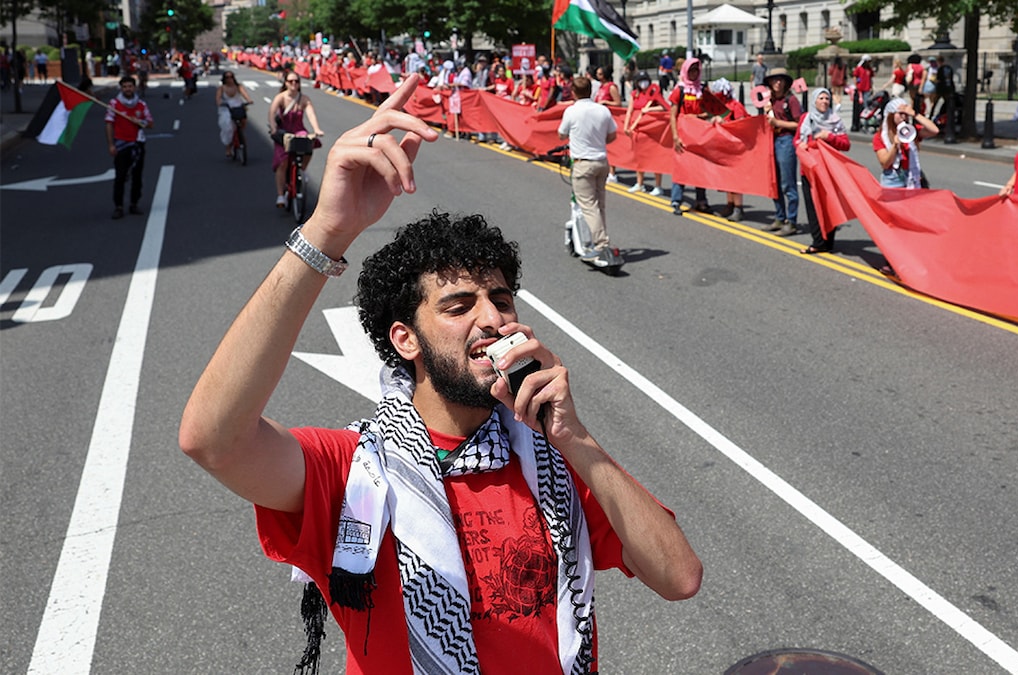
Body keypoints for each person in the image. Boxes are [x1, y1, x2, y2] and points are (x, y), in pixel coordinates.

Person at [178, 74, 701, 674]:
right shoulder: (356, 471)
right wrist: (328, 231)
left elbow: (679, 577)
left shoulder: (553, 459)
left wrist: (574, 438)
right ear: (406, 339)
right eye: (458, 307)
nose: (492, 319)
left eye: (500, 300)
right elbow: (213, 440)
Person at [559, 75, 620, 265]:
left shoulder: (571, 111)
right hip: (601, 161)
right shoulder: (602, 110)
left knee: (588, 206)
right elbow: (612, 135)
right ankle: (601, 241)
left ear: (574, 92)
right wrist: (599, 140)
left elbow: (561, 134)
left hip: (582, 163)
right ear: (590, 91)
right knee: (599, 205)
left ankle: (601, 245)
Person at [797, 88, 851, 255]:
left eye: (827, 99)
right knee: (813, 206)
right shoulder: (806, 118)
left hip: (829, 170)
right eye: (821, 98)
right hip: (809, 170)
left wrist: (830, 137)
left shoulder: (835, 120)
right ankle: (818, 241)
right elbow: (797, 140)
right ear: (814, 101)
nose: (824, 102)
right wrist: (801, 145)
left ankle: (829, 241)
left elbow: (845, 145)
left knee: (829, 205)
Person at [667, 57, 720, 215]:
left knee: (700, 168)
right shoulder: (680, 90)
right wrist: (675, 136)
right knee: (682, 167)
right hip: (683, 135)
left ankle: (701, 201)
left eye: (696, 70)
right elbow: (672, 115)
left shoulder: (703, 89)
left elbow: (711, 110)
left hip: (700, 135)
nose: (693, 73)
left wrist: (698, 117)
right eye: (691, 70)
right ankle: (676, 200)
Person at [268, 71, 325, 208]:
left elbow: (311, 114)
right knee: (283, 162)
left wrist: (316, 129)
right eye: (291, 81)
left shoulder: (304, 99)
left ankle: (302, 170)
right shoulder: (280, 97)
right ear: (286, 83)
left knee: (309, 146)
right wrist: (274, 127)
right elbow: (271, 113)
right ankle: (280, 195)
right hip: (283, 132)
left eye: (296, 81)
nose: (294, 84)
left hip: (299, 130)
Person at [105, 75, 154, 219]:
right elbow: (109, 124)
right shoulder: (114, 104)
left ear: (135, 87)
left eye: (130, 86)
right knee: (120, 176)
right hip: (121, 144)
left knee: (137, 176)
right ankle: (118, 206)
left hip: (137, 144)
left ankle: (134, 203)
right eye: (125, 87)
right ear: (121, 88)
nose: (127, 89)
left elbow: (150, 123)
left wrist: (139, 122)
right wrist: (111, 145)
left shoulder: (141, 105)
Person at [763, 67, 800, 235]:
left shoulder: (791, 100)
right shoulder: (770, 100)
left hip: (786, 141)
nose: (777, 82)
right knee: (775, 182)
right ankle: (779, 216)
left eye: (781, 80)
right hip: (773, 140)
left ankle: (791, 221)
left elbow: (799, 124)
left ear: (785, 83)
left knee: (787, 183)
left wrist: (779, 123)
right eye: (774, 80)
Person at [872, 98, 938, 189]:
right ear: (891, 115)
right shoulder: (880, 137)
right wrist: (895, 146)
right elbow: (885, 163)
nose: (904, 117)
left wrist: (914, 114)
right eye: (900, 114)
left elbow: (934, 130)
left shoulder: (911, 131)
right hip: (892, 179)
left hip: (912, 174)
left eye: (906, 114)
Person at [707, 78, 749, 222]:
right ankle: (729, 204)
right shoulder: (720, 107)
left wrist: (724, 122)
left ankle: (738, 207)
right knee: (726, 178)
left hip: (736, 148)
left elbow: (742, 125)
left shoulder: (736, 106)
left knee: (735, 179)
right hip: (724, 147)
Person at [623, 71, 668, 197]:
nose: (643, 83)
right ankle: (640, 183)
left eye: (645, 80)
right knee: (639, 157)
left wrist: (649, 109)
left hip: (651, 130)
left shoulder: (654, 93)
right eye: (641, 80)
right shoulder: (635, 94)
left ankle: (658, 186)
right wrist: (626, 126)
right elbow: (629, 111)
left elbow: (664, 107)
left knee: (655, 157)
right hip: (637, 130)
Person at [215, 71, 253, 157]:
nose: (229, 79)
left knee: (243, 121)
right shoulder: (221, 88)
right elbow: (218, 98)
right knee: (228, 127)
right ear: (224, 79)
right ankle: (228, 147)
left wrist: (249, 100)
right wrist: (219, 102)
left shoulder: (238, 86)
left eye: (231, 77)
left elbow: (245, 95)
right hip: (227, 108)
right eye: (227, 77)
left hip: (238, 107)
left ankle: (240, 136)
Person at [851, 55, 873, 132]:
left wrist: (871, 87)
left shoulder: (869, 69)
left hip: (867, 89)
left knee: (866, 106)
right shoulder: (859, 68)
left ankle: (865, 123)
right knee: (860, 107)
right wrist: (856, 85)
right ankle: (859, 123)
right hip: (860, 89)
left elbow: (870, 78)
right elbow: (855, 77)